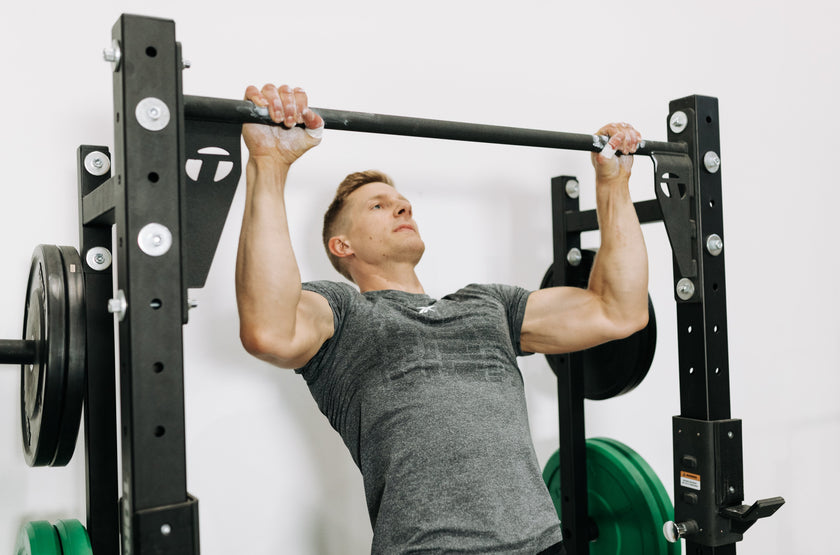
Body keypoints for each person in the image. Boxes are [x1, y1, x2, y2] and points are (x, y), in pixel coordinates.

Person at [235, 84, 648, 555]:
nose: (403, 207)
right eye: (378, 205)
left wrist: (614, 183)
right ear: (342, 246)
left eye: (403, 202)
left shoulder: (488, 304)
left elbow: (620, 310)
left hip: (543, 545)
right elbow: (268, 328)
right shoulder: (344, 313)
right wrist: (269, 164)